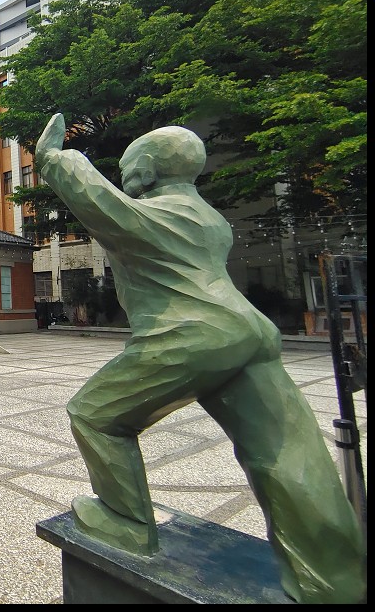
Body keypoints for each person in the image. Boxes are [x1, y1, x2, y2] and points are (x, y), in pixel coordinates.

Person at [35, 113, 365, 604]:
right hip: (248, 332)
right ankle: (334, 577)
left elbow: (107, 207)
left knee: (94, 414)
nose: (124, 176)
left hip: (192, 334)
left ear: (146, 172)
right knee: (284, 452)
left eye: (128, 167)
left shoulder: (162, 215)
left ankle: (126, 523)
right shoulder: (211, 220)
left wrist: (57, 161)